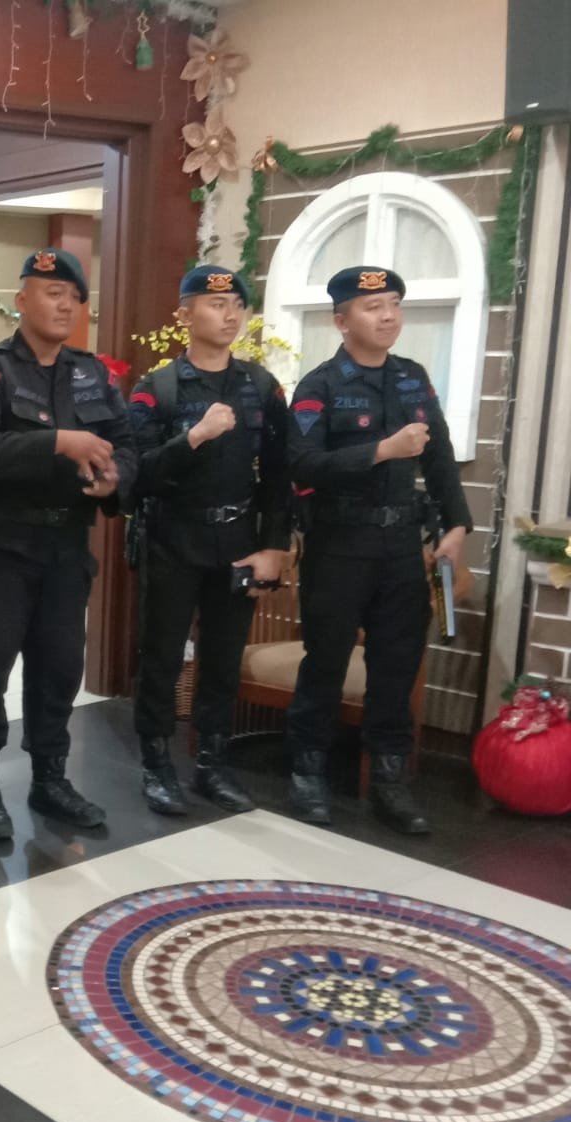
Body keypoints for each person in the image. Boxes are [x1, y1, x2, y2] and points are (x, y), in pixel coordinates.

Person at [0, 247, 137, 839]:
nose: (65, 306)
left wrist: (116, 477)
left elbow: (128, 444)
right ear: (22, 299)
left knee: (59, 668)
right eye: (52, 293)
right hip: (1, 546)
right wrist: (58, 443)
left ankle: (50, 779)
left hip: (66, 545)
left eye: (74, 297)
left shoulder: (94, 374)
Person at [285, 266, 470, 833]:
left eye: (394, 304)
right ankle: (307, 772)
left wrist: (457, 526)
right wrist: (381, 451)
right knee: (326, 661)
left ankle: (390, 781)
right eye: (373, 307)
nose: (388, 316)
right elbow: (302, 465)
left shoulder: (413, 378)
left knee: (396, 664)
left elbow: (439, 456)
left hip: (401, 549)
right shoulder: (319, 386)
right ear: (342, 321)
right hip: (339, 547)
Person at [126, 266, 290, 816]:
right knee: (162, 657)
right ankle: (156, 766)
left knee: (222, 659)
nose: (229, 315)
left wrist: (273, 545)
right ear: (184, 314)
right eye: (216, 304)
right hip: (173, 538)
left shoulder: (260, 387)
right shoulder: (158, 388)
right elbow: (137, 474)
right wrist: (193, 438)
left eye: (237, 306)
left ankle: (212, 765)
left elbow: (281, 473)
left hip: (239, 540)